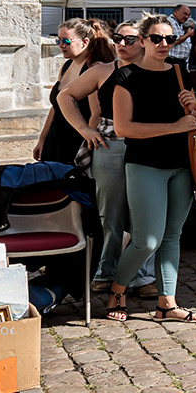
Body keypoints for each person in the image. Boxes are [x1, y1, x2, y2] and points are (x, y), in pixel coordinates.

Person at [108, 13, 196, 323]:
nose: (164, 44)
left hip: (182, 164)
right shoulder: (126, 77)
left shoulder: (179, 71)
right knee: (147, 239)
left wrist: (194, 107)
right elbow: (124, 128)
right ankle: (117, 289)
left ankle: (167, 304)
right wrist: (174, 126)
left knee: (172, 236)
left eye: (169, 39)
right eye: (157, 38)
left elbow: (194, 118)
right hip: (145, 163)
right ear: (143, 40)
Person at [58, 20, 137, 291]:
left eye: (130, 39)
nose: (122, 44)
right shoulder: (103, 70)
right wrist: (85, 130)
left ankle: (143, 276)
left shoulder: (160, 71)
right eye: (119, 38)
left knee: (143, 216)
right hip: (110, 147)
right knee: (110, 216)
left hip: (147, 148)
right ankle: (107, 272)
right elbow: (64, 97)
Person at [35, 19, 115, 165]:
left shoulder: (93, 69)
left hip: (75, 141)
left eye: (66, 41)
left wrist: (86, 145)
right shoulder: (66, 66)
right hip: (55, 139)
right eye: (58, 40)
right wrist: (42, 139)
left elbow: (95, 113)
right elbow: (56, 107)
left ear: (84, 42)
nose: (61, 45)